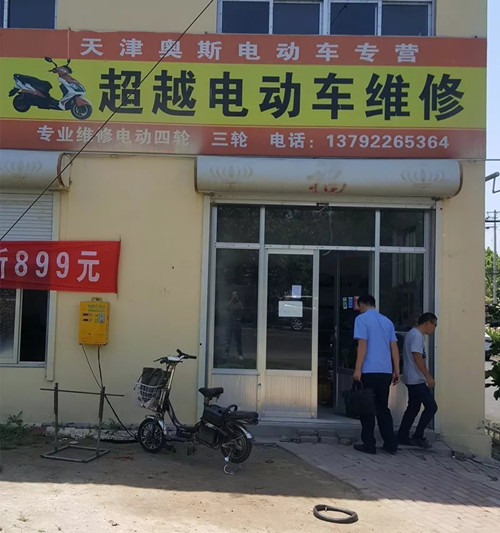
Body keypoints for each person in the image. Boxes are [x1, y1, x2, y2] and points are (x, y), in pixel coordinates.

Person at [352, 294, 400, 455]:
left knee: (367, 408)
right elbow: (394, 347)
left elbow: (362, 345)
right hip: (385, 371)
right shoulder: (387, 321)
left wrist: (357, 369)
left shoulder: (361, 319)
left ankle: (369, 444)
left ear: (362, 304)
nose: (359, 310)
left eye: (359, 306)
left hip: (368, 370)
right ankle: (390, 443)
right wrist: (396, 370)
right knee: (382, 408)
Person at [397, 313, 438, 449]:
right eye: (434, 325)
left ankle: (402, 435)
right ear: (427, 323)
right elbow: (417, 357)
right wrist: (428, 376)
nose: (434, 328)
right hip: (416, 379)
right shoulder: (416, 336)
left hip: (413, 377)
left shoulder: (413, 334)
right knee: (431, 407)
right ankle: (418, 436)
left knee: (413, 408)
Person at [224, 290, 244, 360]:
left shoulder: (239, 303)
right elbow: (227, 308)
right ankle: (226, 353)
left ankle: (240, 354)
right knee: (228, 339)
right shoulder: (229, 302)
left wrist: (237, 300)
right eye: (233, 295)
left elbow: (241, 309)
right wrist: (232, 299)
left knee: (238, 340)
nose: (234, 296)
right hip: (230, 323)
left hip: (237, 323)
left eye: (235, 295)